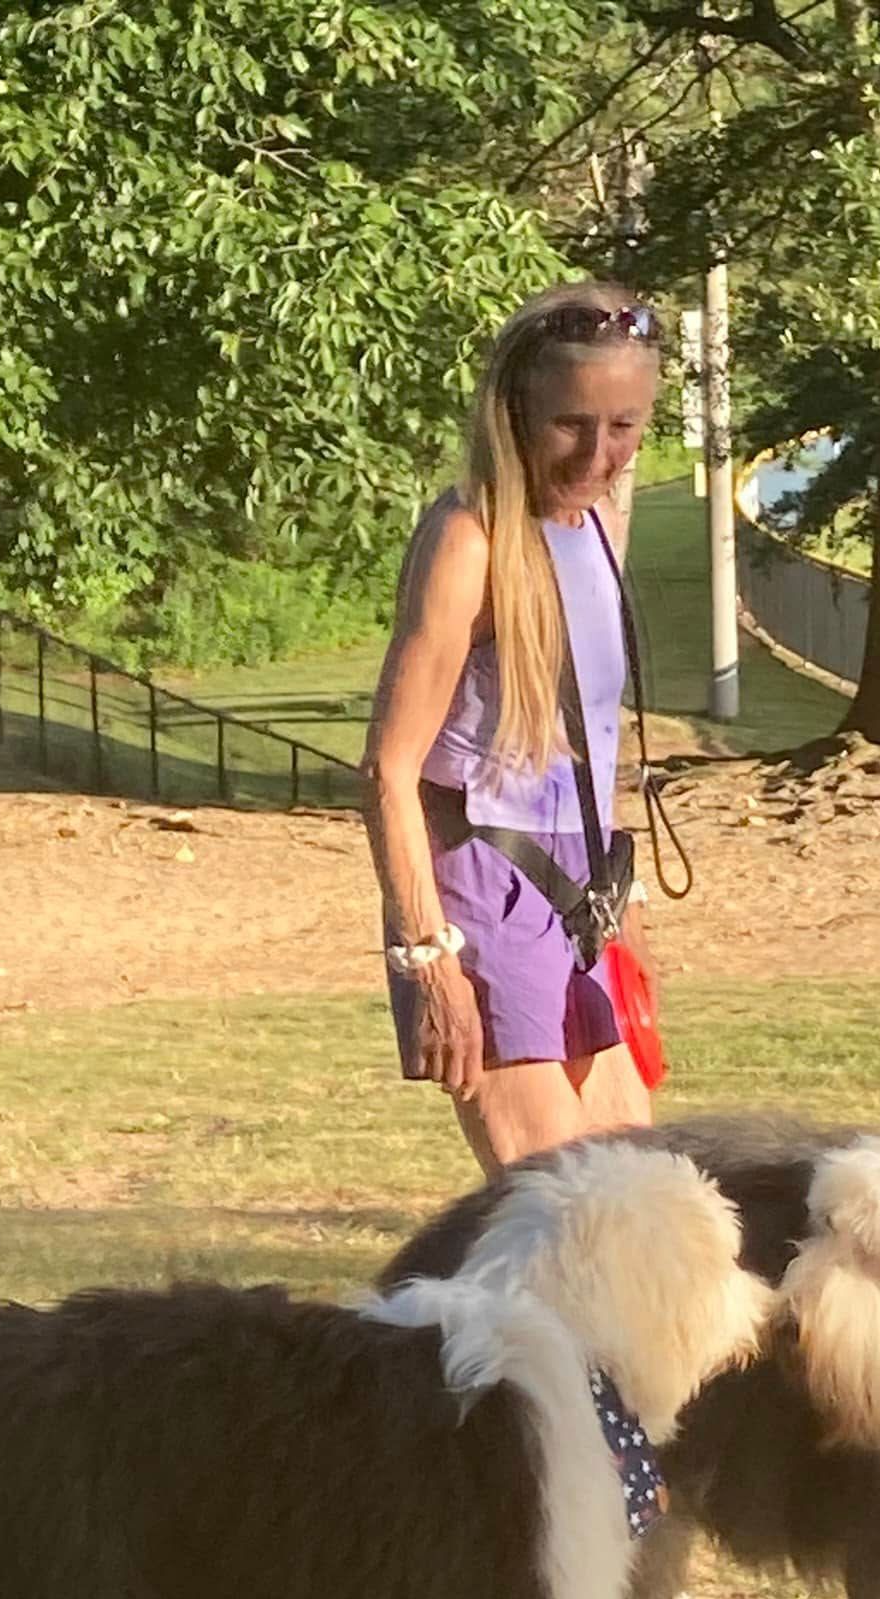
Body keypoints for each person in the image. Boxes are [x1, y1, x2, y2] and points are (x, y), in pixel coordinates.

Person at [361, 280, 664, 1173]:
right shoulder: (470, 540)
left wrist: (628, 909)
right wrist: (428, 960)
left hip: (585, 882)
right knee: (560, 1210)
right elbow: (387, 771)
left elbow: (586, 741)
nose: (598, 453)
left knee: (640, 1190)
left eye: (624, 427)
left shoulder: (600, 523)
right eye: (572, 423)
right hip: (484, 883)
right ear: (516, 411)